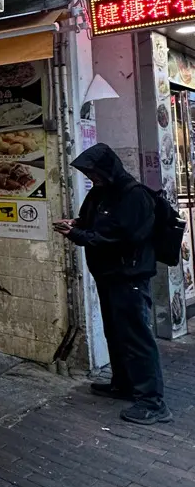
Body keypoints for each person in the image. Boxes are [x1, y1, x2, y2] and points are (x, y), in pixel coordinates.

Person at [53, 143, 171, 425]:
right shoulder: (100, 192)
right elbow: (90, 221)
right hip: (107, 276)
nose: (92, 178)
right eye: (88, 174)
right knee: (115, 333)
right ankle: (124, 383)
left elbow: (122, 238)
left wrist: (77, 235)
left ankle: (153, 402)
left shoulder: (135, 196)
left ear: (109, 169)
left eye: (94, 172)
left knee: (137, 338)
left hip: (130, 277)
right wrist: (76, 224)